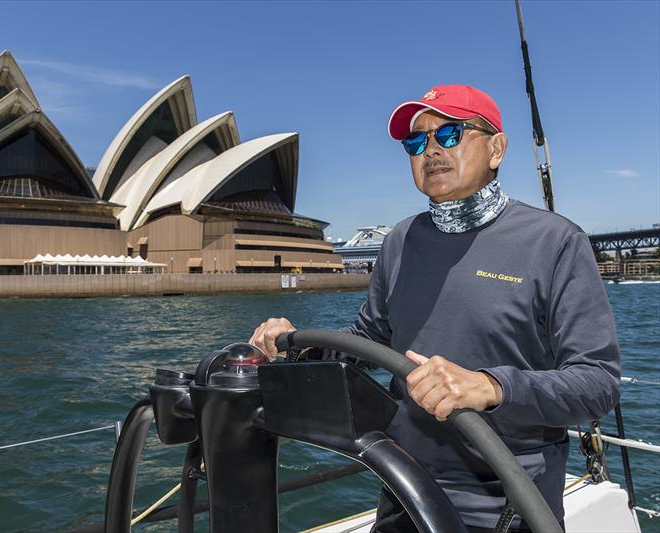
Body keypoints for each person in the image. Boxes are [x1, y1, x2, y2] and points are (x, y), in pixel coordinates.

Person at [250, 85, 620, 532]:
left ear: (497, 148)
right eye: (416, 141)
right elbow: (368, 341)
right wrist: (298, 344)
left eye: (450, 134)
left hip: (511, 491)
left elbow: (597, 383)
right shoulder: (400, 242)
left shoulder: (556, 242)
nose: (430, 151)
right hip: (405, 480)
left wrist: (489, 387)